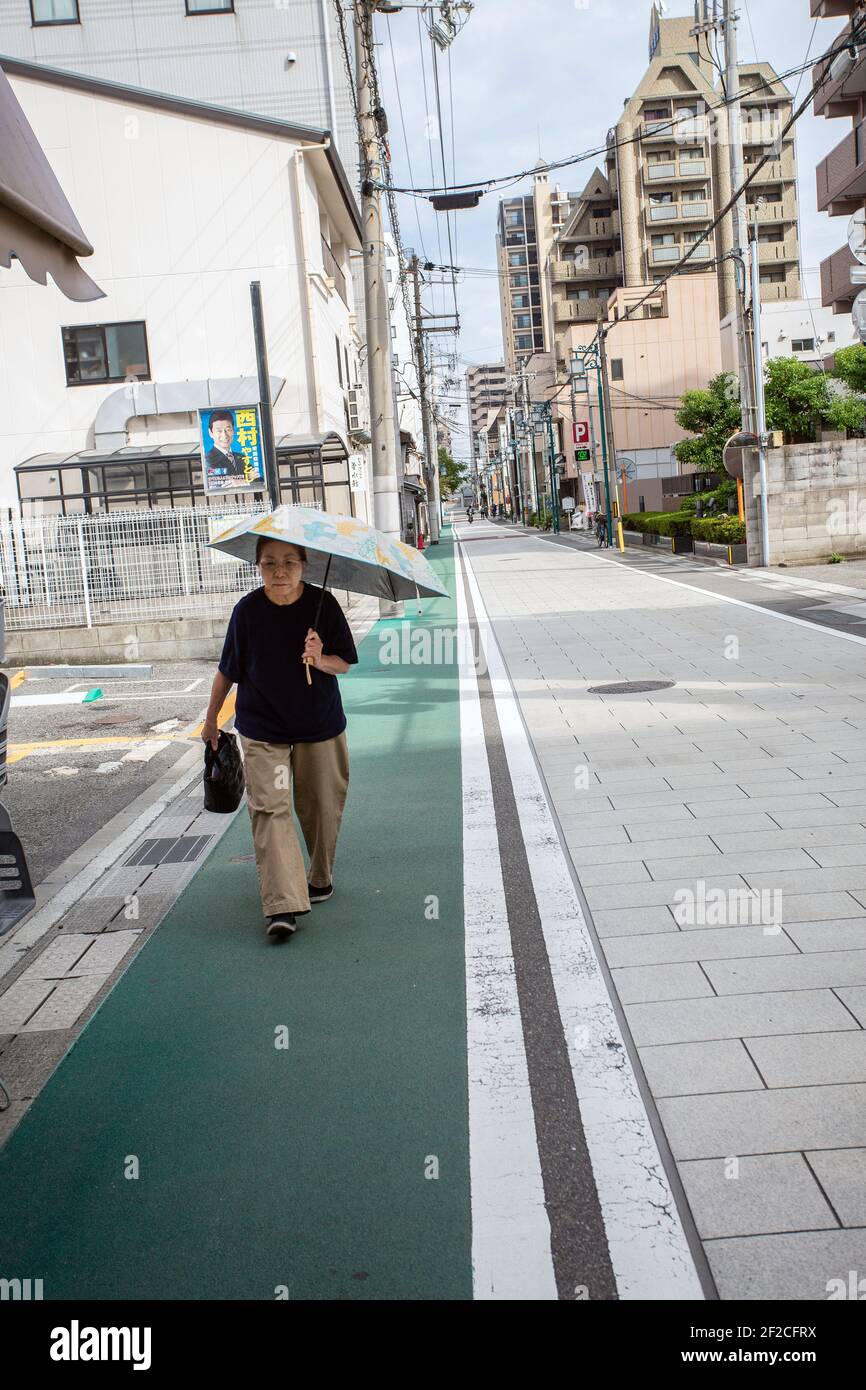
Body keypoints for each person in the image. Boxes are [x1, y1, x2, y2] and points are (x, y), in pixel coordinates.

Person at [202, 538, 358, 943]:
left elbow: (343, 663)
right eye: (269, 563)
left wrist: (319, 657)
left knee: (321, 806)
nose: (280, 571)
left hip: (319, 726)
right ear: (257, 566)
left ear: (304, 565)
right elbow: (228, 671)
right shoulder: (247, 611)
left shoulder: (324, 606)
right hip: (262, 730)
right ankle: (283, 904)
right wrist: (210, 721)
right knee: (270, 810)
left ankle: (319, 876)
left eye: (289, 562)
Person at [204, 410, 247, 483]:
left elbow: (258, 480)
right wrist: (246, 481)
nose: (224, 435)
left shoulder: (241, 457)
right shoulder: (207, 459)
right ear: (210, 433)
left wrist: (242, 482)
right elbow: (217, 483)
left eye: (228, 429)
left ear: (233, 430)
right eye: (219, 431)